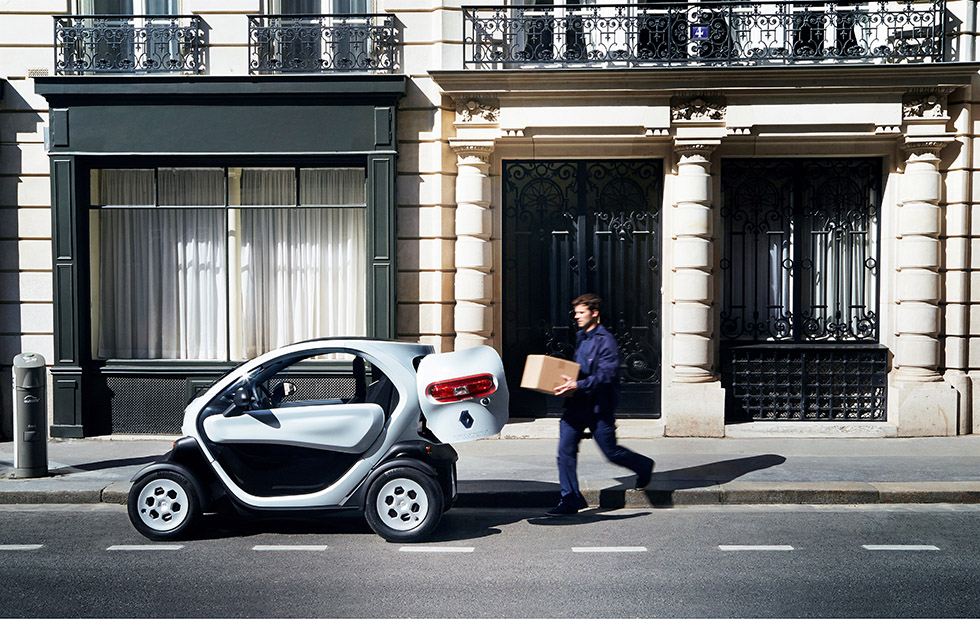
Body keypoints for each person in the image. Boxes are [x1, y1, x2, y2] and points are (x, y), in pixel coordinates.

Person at [547, 293, 654, 516]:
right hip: (576, 405)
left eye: (581, 312)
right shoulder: (582, 336)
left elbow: (605, 376)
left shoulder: (606, 341)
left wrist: (578, 383)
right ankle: (570, 499)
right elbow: (580, 369)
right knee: (565, 451)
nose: (576, 316)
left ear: (595, 313)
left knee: (611, 452)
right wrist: (567, 383)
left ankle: (643, 465)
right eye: (575, 313)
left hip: (598, 407)